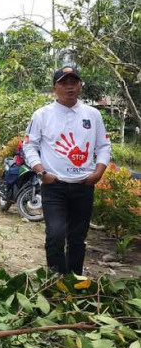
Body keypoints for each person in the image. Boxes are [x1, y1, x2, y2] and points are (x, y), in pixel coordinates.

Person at [23, 65, 111, 275]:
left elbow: (104, 146)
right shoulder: (42, 115)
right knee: (55, 234)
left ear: (80, 86)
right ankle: (55, 280)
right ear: (55, 88)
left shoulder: (93, 114)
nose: (70, 87)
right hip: (54, 185)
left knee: (78, 238)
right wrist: (41, 172)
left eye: (74, 82)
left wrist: (98, 173)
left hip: (84, 185)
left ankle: (74, 281)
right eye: (64, 83)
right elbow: (29, 145)